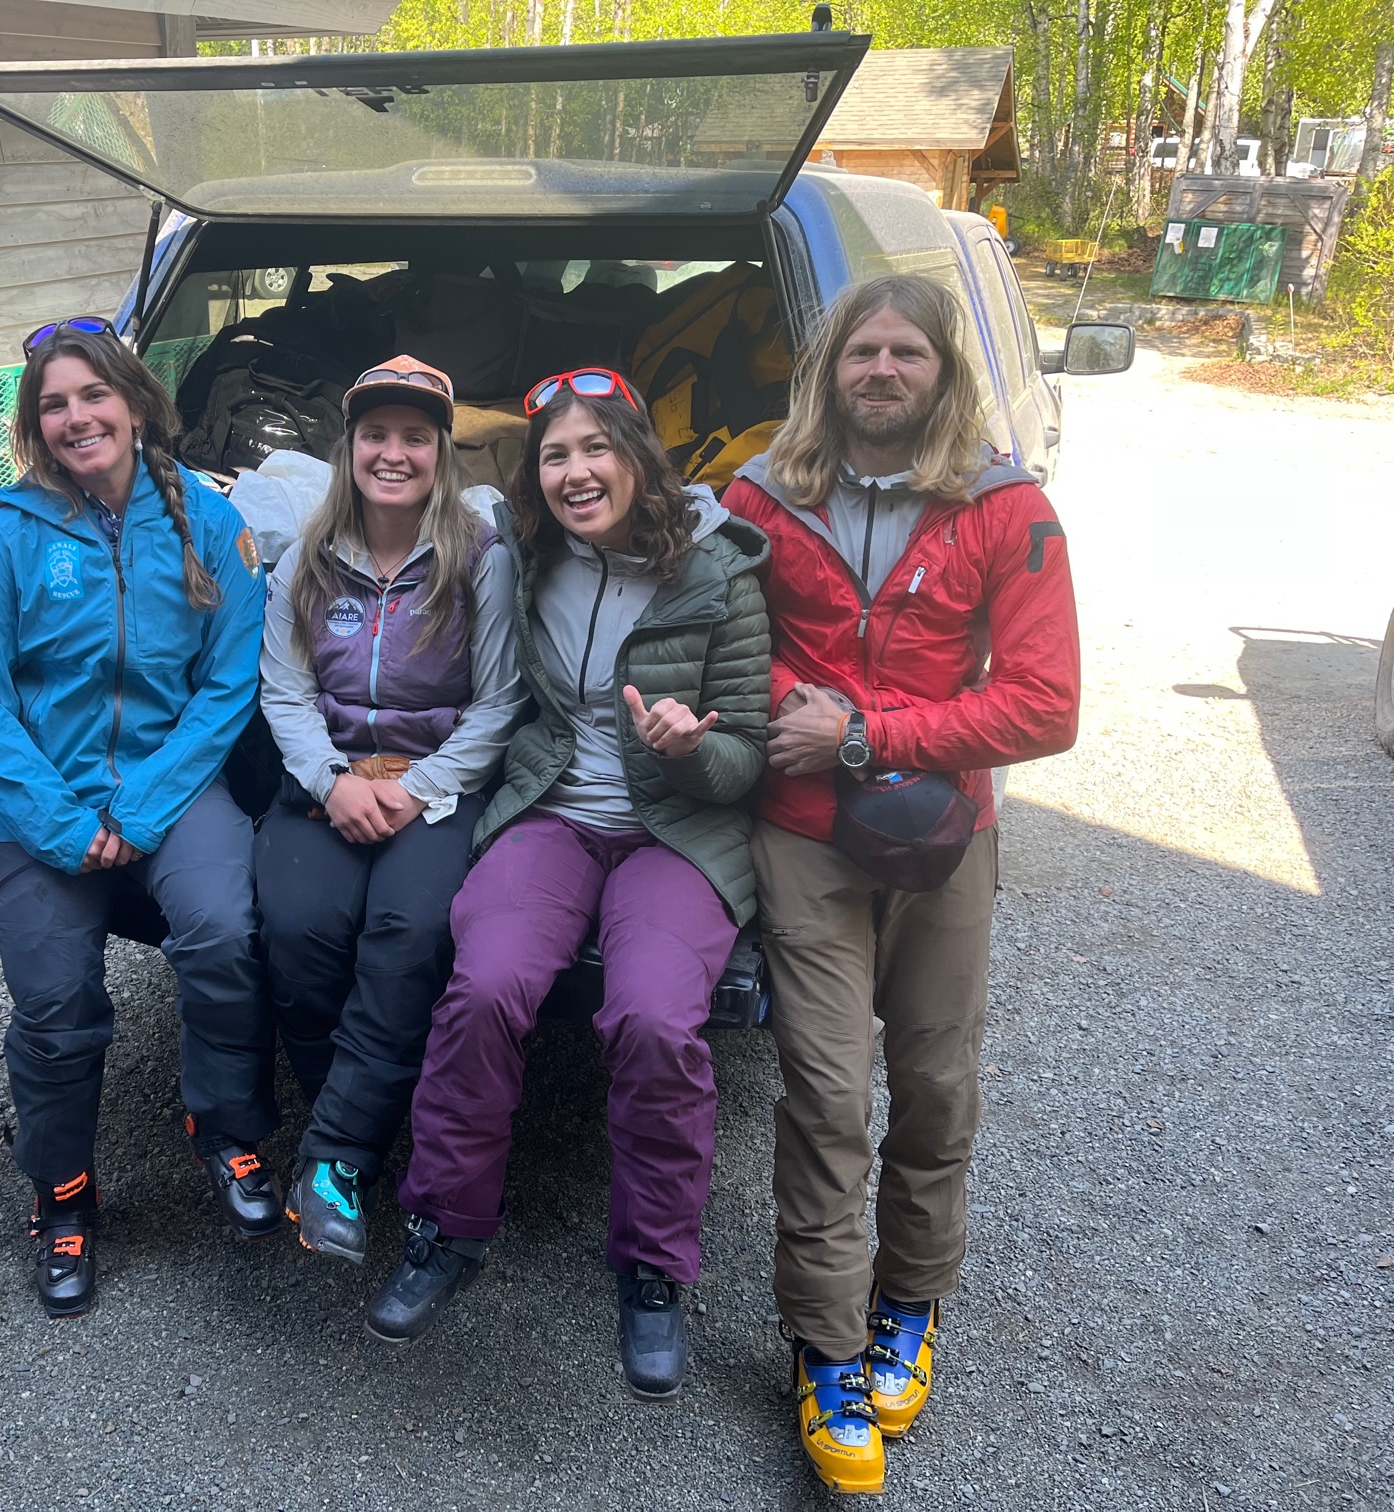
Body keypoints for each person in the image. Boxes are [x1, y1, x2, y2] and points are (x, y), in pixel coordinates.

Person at [724, 275, 1080, 1495]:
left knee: (935, 1086)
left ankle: (910, 1304)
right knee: (827, 1092)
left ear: (941, 371)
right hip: (805, 833)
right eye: (862, 350)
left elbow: (1046, 703)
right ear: (830, 367)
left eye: (906, 353)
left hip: (941, 837)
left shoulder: (1003, 506)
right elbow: (726, 647)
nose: (881, 370)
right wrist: (798, 720)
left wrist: (868, 734)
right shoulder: (763, 494)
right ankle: (825, 1345)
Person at [365, 368, 772, 1402]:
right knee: (487, 986)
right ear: (534, 477)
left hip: (675, 830)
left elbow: (747, 763)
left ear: (638, 454)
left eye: (596, 449)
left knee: (650, 1019)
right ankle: (446, 1227)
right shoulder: (525, 555)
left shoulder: (718, 576)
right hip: (552, 811)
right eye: (555, 455)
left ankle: (653, 1268)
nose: (577, 471)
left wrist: (687, 749)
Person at [0, 320, 272, 1320]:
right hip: (43, 799)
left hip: (170, 790)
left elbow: (227, 685)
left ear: (132, 404)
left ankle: (222, 1124)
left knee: (221, 932)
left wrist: (141, 805)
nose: (77, 415)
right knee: (54, 1003)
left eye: (92, 395)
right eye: (54, 404)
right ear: (36, 428)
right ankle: (64, 1192)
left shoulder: (209, 524)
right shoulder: (12, 537)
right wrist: (57, 818)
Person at [256, 356, 525, 1264]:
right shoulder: (304, 557)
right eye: (377, 434)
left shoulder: (480, 559)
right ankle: (356, 1107)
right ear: (350, 446)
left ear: (443, 453)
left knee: (406, 933)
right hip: (327, 784)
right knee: (295, 928)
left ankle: (334, 1158)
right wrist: (332, 782)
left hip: (434, 789)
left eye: (416, 436)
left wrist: (415, 789)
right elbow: (284, 693)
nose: (394, 453)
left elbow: (499, 702)